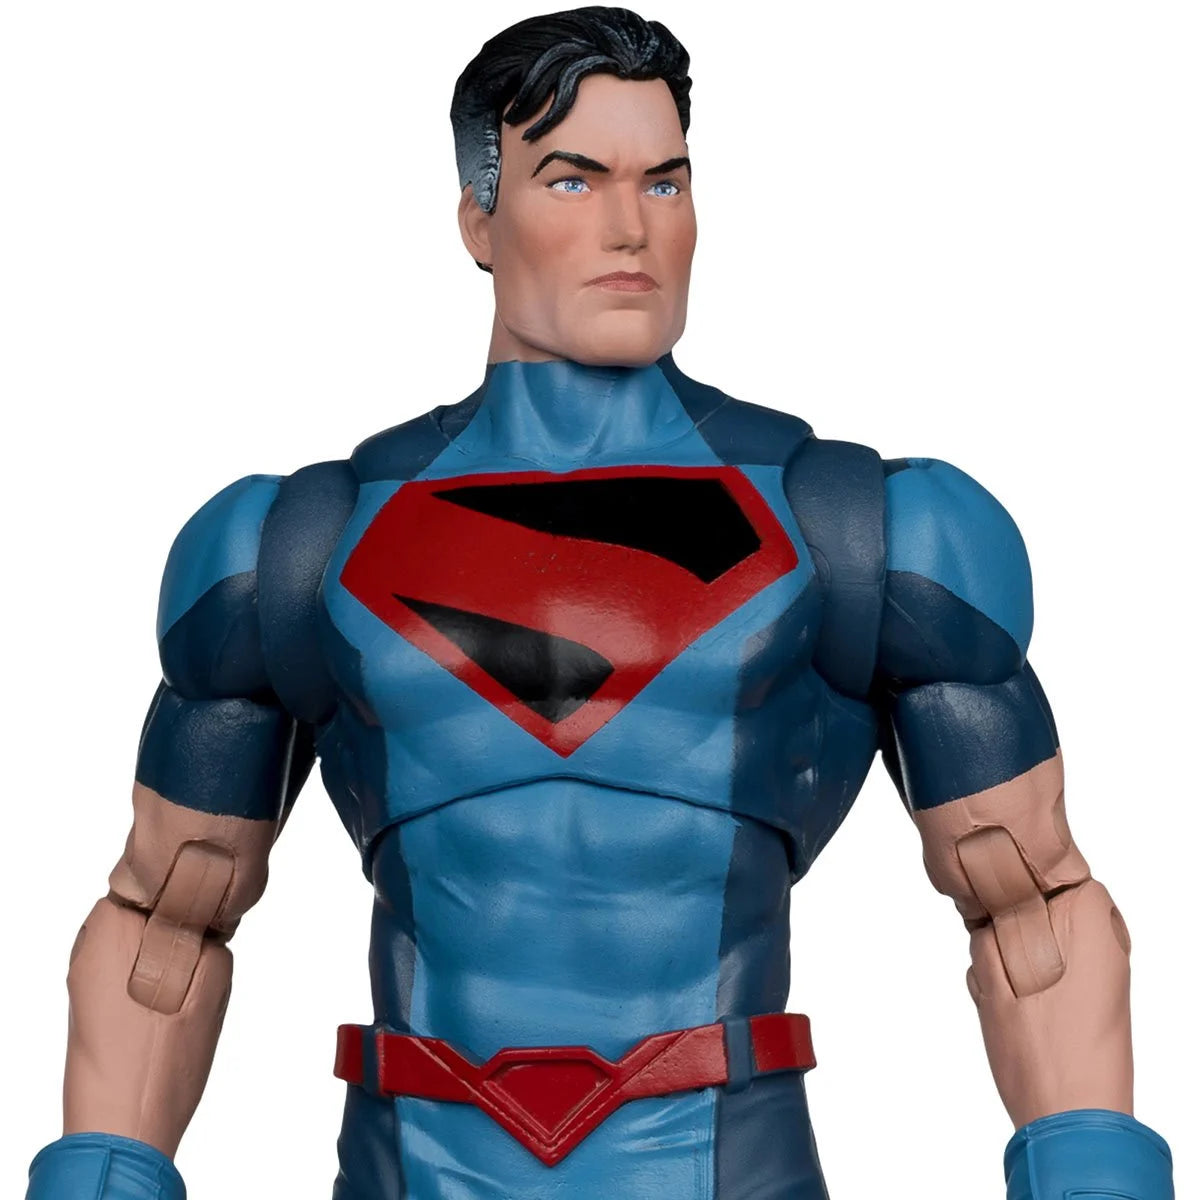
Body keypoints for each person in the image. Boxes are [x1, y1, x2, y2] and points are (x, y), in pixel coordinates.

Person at [24, 8, 1175, 1199]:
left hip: (724, 1165)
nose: (632, 228)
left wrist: (1094, 1169)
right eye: (573, 180)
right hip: (418, 1165)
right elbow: (169, 914)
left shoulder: (863, 530)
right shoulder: (297, 546)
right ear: (480, 220)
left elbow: (1027, 901)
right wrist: (103, 1175)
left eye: (664, 182)